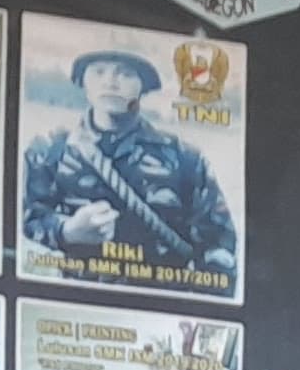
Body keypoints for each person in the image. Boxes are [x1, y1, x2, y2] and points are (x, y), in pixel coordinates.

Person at [19, 45, 238, 296]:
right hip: (80, 298)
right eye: (99, 72)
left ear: (144, 86)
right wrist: (67, 231)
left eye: (125, 73)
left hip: (160, 300)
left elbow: (219, 245)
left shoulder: (184, 158)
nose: (110, 82)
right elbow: (30, 216)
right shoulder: (50, 148)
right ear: (83, 82)